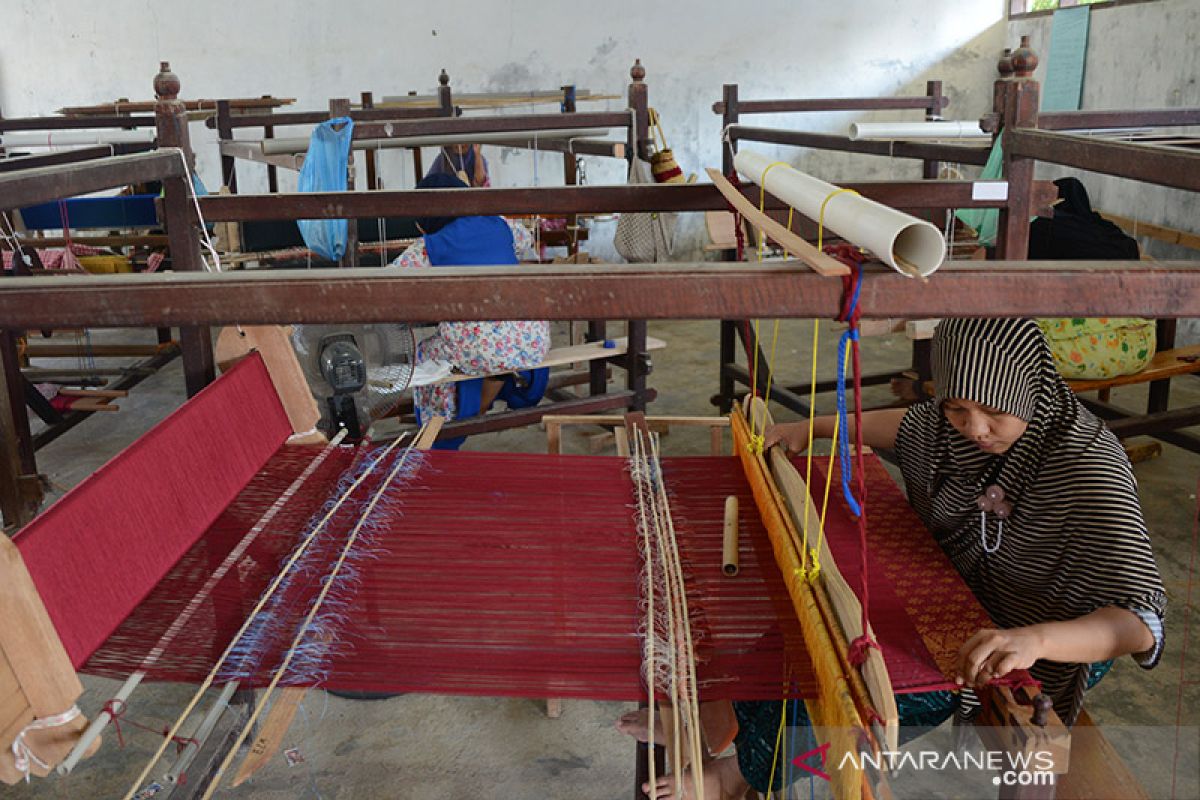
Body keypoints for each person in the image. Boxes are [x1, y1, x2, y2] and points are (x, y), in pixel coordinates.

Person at [620, 317, 1166, 799]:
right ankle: (720, 720)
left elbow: (1140, 622)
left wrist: (1036, 640)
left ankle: (740, 774)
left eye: (994, 413)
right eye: (957, 407)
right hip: (959, 588)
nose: (974, 428)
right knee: (821, 622)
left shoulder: (1086, 464)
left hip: (1043, 635)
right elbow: (905, 426)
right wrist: (805, 430)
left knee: (866, 692)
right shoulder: (948, 428)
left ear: (1030, 392)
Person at [389, 173, 550, 437]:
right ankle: (492, 392)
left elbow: (389, 282)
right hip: (532, 342)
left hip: (481, 350)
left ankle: (442, 428)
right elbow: (525, 240)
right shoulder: (502, 225)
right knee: (479, 339)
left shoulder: (429, 246)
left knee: (426, 354)